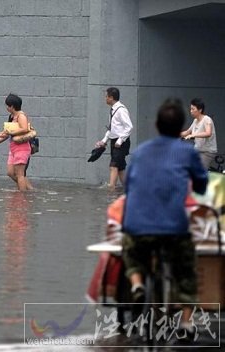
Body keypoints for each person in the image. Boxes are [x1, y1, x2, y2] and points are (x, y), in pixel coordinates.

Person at [122, 98, 207, 341]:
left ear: (157, 125)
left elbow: (128, 187)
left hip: (137, 225)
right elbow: (201, 184)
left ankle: (137, 283)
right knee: (186, 270)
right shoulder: (186, 152)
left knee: (132, 252)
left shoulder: (139, 153)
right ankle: (187, 322)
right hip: (174, 228)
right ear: (181, 126)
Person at [0, 94, 33, 191]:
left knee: (20, 174)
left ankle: (22, 196)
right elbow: (7, 133)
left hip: (22, 148)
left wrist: (10, 132)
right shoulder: (12, 116)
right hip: (13, 148)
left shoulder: (21, 116)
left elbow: (24, 128)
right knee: (10, 172)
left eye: (8, 105)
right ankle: (29, 190)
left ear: (12, 106)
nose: (7, 107)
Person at [95, 87, 133, 191]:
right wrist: (104, 141)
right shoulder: (113, 110)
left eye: (106, 96)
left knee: (113, 166)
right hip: (114, 141)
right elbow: (111, 128)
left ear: (111, 97)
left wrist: (120, 140)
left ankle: (111, 190)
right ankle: (129, 190)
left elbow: (129, 127)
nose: (105, 98)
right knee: (120, 168)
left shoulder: (121, 110)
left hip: (121, 143)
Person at [180, 98, 217, 170]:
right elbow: (187, 132)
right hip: (197, 151)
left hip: (207, 152)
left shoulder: (207, 119)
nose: (191, 111)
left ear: (200, 110)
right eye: (190, 109)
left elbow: (208, 133)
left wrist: (193, 135)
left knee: (199, 170)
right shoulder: (195, 121)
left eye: (193, 109)